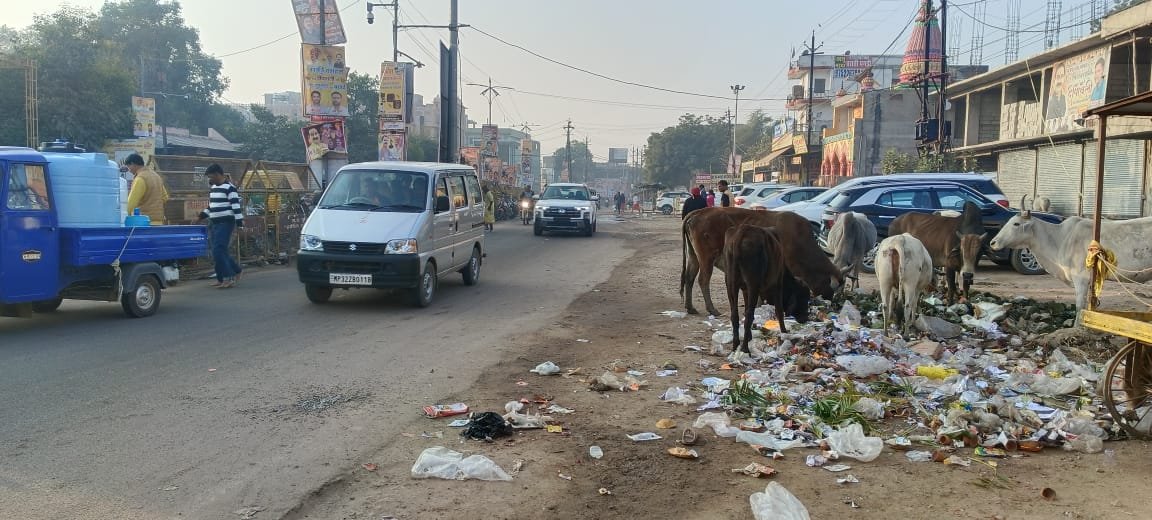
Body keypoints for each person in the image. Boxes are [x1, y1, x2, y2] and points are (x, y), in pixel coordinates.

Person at [197, 164, 244, 288]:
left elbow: (236, 207)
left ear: (218, 174)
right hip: (214, 223)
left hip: (226, 223)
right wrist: (202, 216)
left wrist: (239, 225)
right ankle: (227, 274)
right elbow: (212, 206)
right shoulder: (213, 188)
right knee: (218, 251)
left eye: (211, 177)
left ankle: (228, 277)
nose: (209, 180)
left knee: (218, 250)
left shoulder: (230, 188)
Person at [123, 153, 168, 225]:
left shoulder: (140, 179)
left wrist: (123, 218)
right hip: (159, 222)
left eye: (128, 167)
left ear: (133, 164)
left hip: (144, 223)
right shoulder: (156, 176)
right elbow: (165, 197)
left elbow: (131, 203)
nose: (129, 170)